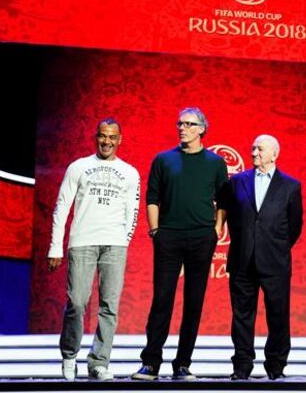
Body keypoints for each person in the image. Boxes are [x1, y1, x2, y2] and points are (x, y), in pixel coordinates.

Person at [131, 107, 228, 381]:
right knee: (162, 299)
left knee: (194, 302)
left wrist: (217, 228)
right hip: (169, 237)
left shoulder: (215, 162)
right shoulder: (163, 159)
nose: (182, 128)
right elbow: (152, 197)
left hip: (201, 237)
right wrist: (155, 230)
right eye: (180, 123)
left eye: (188, 124)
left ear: (201, 129)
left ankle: (183, 363)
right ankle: (150, 363)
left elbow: (224, 199)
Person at [49, 118, 140, 381]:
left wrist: (124, 238)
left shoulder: (130, 172)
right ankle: (69, 355)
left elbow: (132, 210)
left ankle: (99, 361)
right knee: (77, 302)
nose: (107, 141)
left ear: (120, 140)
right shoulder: (78, 167)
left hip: (114, 245)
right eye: (102, 136)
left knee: (109, 306)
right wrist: (56, 247)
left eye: (112, 137)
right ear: (95, 137)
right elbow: (62, 206)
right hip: (82, 242)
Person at [217, 135, 303, 380]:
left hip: (275, 261)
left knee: (277, 314)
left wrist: (276, 247)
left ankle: (275, 366)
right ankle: (242, 366)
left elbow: (295, 225)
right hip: (242, 259)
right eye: (252, 147)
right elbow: (231, 218)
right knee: (242, 315)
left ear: (274, 154)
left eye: (259, 149)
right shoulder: (238, 181)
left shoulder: (290, 185)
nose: (253, 152)